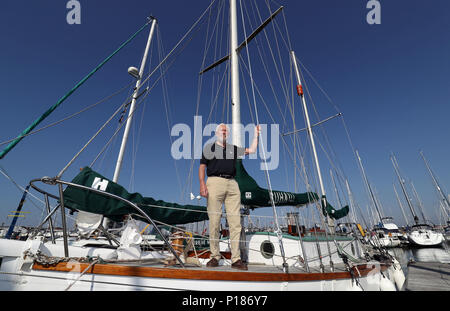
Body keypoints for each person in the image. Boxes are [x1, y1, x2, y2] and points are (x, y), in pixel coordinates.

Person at [199, 123, 260, 270]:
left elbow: (251, 150)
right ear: (216, 132)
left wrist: (256, 135)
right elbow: (202, 167)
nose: (224, 131)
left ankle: (236, 259)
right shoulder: (209, 148)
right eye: (222, 129)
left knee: (235, 223)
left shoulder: (233, 149)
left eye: (226, 130)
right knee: (214, 220)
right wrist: (202, 184)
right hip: (214, 182)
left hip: (232, 184)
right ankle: (214, 256)